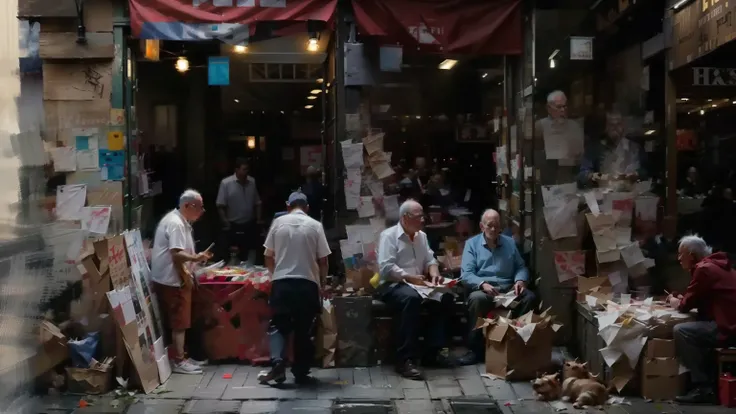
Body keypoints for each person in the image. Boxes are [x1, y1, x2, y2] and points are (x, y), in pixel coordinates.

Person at [376, 200, 455, 380]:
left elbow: (430, 260)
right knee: (410, 299)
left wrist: (434, 274)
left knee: (446, 297)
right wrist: (409, 277)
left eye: (422, 216)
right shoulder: (389, 236)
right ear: (405, 218)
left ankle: (432, 352)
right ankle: (405, 359)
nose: (422, 220)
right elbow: (386, 268)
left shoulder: (422, 236)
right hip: (393, 284)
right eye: (418, 217)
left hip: (419, 284)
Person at [258, 192, 331, 385]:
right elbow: (323, 260)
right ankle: (300, 371)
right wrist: (322, 284)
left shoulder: (278, 223)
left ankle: (278, 363)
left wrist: (274, 277)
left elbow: (268, 255)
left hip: (282, 283)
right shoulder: (315, 225)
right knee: (304, 328)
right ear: (307, 207)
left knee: (278, 325)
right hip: (307, 284)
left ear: (288, 206)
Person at [458, 209, 534, 364]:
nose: (493, 229)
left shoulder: (510, 242)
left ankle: (517, 343)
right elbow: (466, 274)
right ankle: (475, 349)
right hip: (486, 290)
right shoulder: (472, 245)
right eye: (489, 225)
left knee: (530, 298)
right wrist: (482, 284)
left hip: (508, 288)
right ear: (482, 226)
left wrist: (520, 280)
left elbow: (521, 266)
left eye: (496, 226)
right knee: (476, 299)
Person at [150, 189, 213, 374]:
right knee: (179, 321)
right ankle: (179, 360)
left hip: (174, 277)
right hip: (171, 280)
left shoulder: (180, 221)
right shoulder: (176, 223)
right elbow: (176, 254)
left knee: (181, 320)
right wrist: (196, 258)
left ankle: (182, 355)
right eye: (198, 207)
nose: (201, 212)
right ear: (187, 205)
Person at [668, 235, 736, 404]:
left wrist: (674, 301)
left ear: (691, 254)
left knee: (682, 331)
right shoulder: (719, 265)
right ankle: (708, 380)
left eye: (681, 254)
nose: (678, 259)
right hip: (728, 322)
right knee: (696, 327)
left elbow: (684, 305)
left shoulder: (704, 269)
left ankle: (703, 387)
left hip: (728, 327)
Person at [578, 109, 647, 190]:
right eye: (611, 124)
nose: (615, 128)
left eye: (618, 124)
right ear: (606, 127)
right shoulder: (595, 148)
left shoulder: (635, 147)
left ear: (623, 126)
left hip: (631, 194)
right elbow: (582, 175)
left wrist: (636, 174)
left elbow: (646, 171)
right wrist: (600, 177)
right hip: (605, 195)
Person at [216, 158, 263, 263]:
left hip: (249, 223)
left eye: (247, 169)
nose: (246, 172)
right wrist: (226, 222)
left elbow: (257, 202)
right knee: (233, 255)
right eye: (244, 169)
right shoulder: (226, 183)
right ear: (236, 170)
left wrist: (259, 219)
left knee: (250, 253)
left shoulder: (252, 181)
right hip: (233, 224)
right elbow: (220, 205)